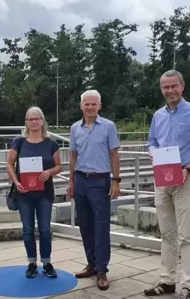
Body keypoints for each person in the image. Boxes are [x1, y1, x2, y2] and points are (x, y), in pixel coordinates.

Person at [143, 70, 190, 299]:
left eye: (174, 86)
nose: (170, 91)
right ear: (161, 89)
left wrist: (188, 167)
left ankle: (188, 286)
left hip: (186, 178)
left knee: (187, 236)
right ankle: (167, 281)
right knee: (167, 234)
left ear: (182, 87)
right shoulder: (157, 116)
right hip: (163, 180)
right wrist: (153, 153)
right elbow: (152, 141)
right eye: (166, 87)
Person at [67, 89, 121, 291]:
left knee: (101, 226)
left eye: (93, 104)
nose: (89, 107)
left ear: (99, 105)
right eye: (86, 104)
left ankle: (102, 270)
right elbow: (73, 156)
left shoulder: (108, 126)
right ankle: (91, 264)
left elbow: (114, 155)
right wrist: (71, 182)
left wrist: (116, 181)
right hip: (80, 180)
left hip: (100, 182)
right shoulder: (75, 128)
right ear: (81, 106)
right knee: (85, 225)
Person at [6, 107, 62, 278]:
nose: (34, 122)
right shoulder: (19, 142)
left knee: (45, 229)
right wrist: (16, 182)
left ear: (43, 121)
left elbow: (59, 166)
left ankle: (46, 262)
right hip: (24, 194)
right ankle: (31, 262)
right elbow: (9, 164)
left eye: (37, 118)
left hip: (45, 193)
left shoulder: (51, 143)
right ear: (27, 122)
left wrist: (50, 172)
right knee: (28, 229)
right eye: (31, 119)